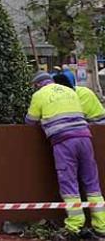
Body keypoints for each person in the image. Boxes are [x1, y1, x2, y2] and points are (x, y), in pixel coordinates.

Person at [27, 70, 105, 236]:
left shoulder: (39, 95)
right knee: (92, 183)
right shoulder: (71, 91)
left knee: (68, 183)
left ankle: (74, 226)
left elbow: (30, 121)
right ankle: (101, 226)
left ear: (37, 85)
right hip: (85, 138)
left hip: (63, 141)